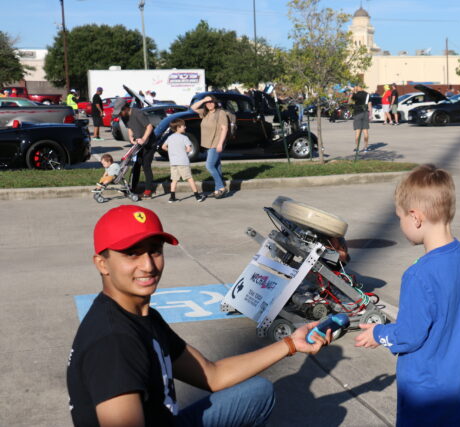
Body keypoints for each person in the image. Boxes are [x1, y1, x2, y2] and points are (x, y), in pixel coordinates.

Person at [67, 205, 332, 427]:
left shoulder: (142, 315)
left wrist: (290, 344)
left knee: (258, 393)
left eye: (154, 250)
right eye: (131, 253)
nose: (148, 265)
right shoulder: (114, 342)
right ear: (102, 263)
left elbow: (212, 374)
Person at [355, 164, 460, 427]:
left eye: (399, 217)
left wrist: (378, 334)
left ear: (416, 217)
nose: (401, 224)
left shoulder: (419, 275)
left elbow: (410, 335)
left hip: (428, 398)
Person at [113, 98, 156, 198]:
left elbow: (149, 127)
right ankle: (132, 188)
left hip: (149, 143)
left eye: (120, 112)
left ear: (125, 108)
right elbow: (130, 128)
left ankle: (148, 191)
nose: (120, 114)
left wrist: (144, 138)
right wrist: (131, 137)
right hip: (138, 144)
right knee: (136, 165)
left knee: (146, 165)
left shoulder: (137, 113)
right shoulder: (124, 116)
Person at [190, 95, 229, 199]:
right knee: (216, 166)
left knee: (209, 165)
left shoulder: (220, 113)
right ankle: (217, 190)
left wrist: (220, 143)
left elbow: (224, 128)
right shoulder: (205, 113)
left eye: (211, 102)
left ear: (215, 103)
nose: (209, 104)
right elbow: (192, 108)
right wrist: (203, 100)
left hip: (216, 143)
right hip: (208, 143)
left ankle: (221, 187)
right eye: (207, 103)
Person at [161, 118, 204, 203]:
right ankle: (197, 196)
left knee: (174, 179)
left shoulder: (170, 137)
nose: (185, 127)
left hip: (173, 162)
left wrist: (171, 150)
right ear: (178, 127)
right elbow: (189, 149)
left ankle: (172, 197)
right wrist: (184, 150)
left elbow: (163, 147)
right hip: (183, 162)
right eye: (183, 126)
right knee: (189, 178)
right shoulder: (184, 138)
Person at [348, 85, 372, 152]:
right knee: (365, 131)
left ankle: (357, 148)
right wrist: (370, 115)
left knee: (357, 132)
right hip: (365, 113)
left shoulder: (356, 95)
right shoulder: (367, 94)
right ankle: (366, 148)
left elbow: (349, 102)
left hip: (357, 113)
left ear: (358, 87)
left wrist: (352, 92)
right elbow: (370, 105)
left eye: (356, 87)